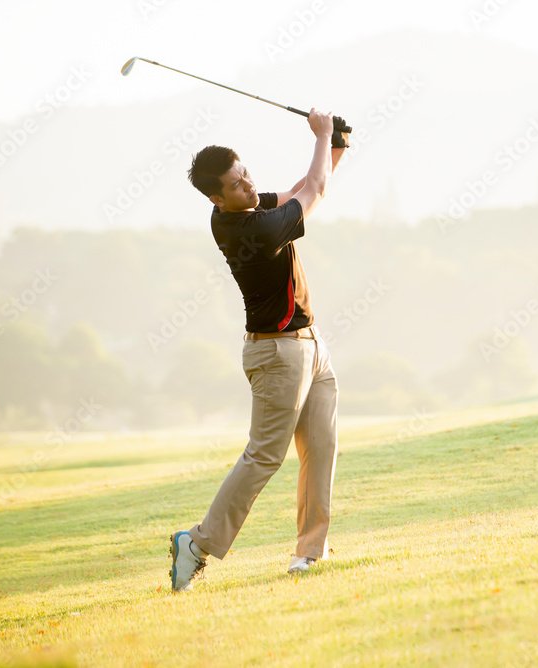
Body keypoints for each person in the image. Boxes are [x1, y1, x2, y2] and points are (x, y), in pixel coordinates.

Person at [169, 109, 349, 592]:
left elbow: (298, 189)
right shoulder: (254, 230)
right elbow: (315, 193)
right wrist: (323, 134)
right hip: (278, 355)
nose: (248, 184)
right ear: (216, 197)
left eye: (245, 173)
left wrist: (335, 148)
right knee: (264, 456)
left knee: (321, 449)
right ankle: (198, 543)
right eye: (236, 183)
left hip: (310, 346)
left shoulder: (242, 210)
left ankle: (310, 551)